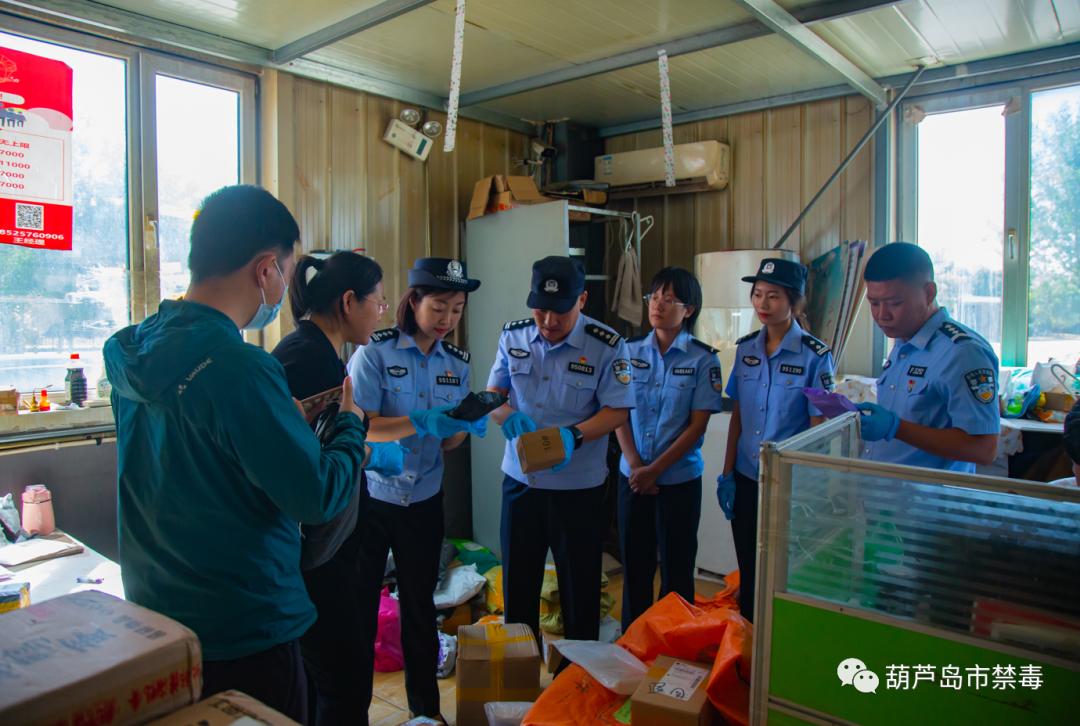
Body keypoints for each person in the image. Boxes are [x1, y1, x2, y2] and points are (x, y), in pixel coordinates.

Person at [104, 185, 371, 722]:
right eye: (287, 272)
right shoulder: (238, 367)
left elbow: (194, 456)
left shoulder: (132, 349)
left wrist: (280, 424)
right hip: (245, 629)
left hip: (159, 623)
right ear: (266, 268)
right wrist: (349, 427)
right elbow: (316, 495)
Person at [270, 250, 411, 726]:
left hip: (330, 544)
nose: (383, 311)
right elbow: (307, 465)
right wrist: (364, 451)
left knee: (330, 679)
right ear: (349, 301)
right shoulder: (309, 360)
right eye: (379, 301)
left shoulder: (315, 350)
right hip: (319, 552)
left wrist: (364, 451)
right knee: (345, 685)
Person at [346, 257, 486, 722]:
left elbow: (450, 442)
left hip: (425, 501)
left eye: (458, 310)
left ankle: (426, 712)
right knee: (361, 611)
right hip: (373, 500)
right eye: (439, 307)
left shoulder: (456, 363)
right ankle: (354, 713)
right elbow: (359, 427)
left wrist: (462, 425)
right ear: (414, 302)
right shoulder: (375, 352)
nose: (448, 320)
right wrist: (417, 421)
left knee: (421, 612)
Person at [487, 256, 634, 648]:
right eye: (541, 311)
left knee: (579, 590)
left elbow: (618, 408)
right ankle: (519, 679)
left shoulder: (607, 345)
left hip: (578, 490)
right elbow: (493, 397)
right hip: (522, 483)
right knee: (518, 585)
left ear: (582, 300)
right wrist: (507, 417)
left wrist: (575, 436)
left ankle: (577, 680)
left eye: (560, 312)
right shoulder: (512, 337)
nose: (549, 322)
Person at [716, 257, 836, 622]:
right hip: (747, 477)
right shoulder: (747, 349)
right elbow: (738, 414)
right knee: (749, 570)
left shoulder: (816, 356)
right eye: (757, 295)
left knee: (783, 573)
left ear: (795, 303)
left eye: (774, 296)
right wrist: (727, 474)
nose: (762, 305)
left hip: (789, 485)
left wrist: (814, 489)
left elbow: (819, 430)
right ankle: (748, 649)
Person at [614, 267, 723, 629]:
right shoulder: (627, 352)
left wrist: (655, 470)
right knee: (636, 567)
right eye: (654, 297)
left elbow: (697, 426)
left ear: (688, 309)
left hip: (678, 480)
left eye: (669, 299)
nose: (658, 305)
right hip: (632, 479)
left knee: (677, 569)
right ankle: (634, 641)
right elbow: (619, 413)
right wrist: (634, 465)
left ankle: (676, 641)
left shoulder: (703, 359)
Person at [856, 242, 1000, 472]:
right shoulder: (904, 339)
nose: (882, 315)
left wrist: (896, 427)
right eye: (874, 303)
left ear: (929, 292)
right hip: (883, 494)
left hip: (930, 502)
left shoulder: (962, 353)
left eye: (895, 303)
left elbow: (984, 449)